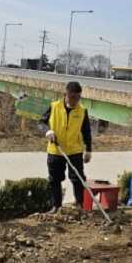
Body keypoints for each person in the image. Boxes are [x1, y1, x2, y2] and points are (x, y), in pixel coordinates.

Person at [38, 81, 92, 214]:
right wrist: (47, 131)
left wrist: (88, 150)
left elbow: (86, 131)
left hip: (75, 151)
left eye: (78, 98)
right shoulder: (54, 106)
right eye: (72, 97)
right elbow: (40, 122)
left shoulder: (82, 110)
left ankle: (79, 205)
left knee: (78, 178)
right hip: (56, 150)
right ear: (65, 94)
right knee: (54, 179)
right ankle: (56, 206)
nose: (75, 101)